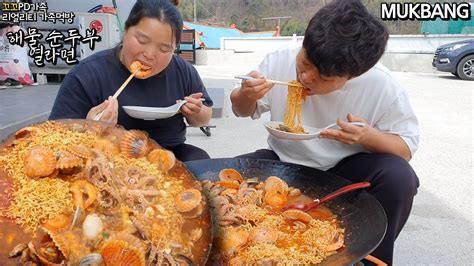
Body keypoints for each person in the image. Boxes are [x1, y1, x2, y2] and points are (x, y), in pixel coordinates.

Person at [230, 0, 419, 264]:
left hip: (344, 170)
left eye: (323, 78)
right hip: (284, 163)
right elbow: (241, 110)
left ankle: (366, 259)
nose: (306, 78)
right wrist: (244, 94)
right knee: (233, 173)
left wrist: (367, 137)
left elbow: (406, 148)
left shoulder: (382, 86)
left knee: (399, 177)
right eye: (305, 63)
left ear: (352, 77)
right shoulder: (279, 60)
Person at [49, 0, 213, 162]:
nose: (149, 54)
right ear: (126, 30)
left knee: (200, 160)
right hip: (106, 157)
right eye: (142, 41)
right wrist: (91, 128)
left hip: (169, 155)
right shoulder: (86, 74)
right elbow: (55, 138)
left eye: (164, 49)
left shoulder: (182, 70)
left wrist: (196, 112)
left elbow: (204, 119)